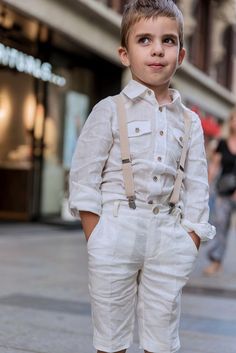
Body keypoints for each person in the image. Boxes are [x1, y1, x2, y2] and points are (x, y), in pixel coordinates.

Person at [69, 1, 215, 352]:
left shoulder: (190, 121)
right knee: (110, 335)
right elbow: (84, 177)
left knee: (162, 338)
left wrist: (189, 240)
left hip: (168, 234)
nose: (157, 50)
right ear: (125, 53)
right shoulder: (109, 109)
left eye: (168, 41)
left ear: (180, 55)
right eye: (144, 40)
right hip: (116, 230)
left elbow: (197, 184)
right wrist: (97, 236)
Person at [203, 108, 236, 276]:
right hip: (224, 192)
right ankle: (216, 261)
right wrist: (206, 186)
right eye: (234, 119)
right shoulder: (223, 143)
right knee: (220, 226)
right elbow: (215, 166)